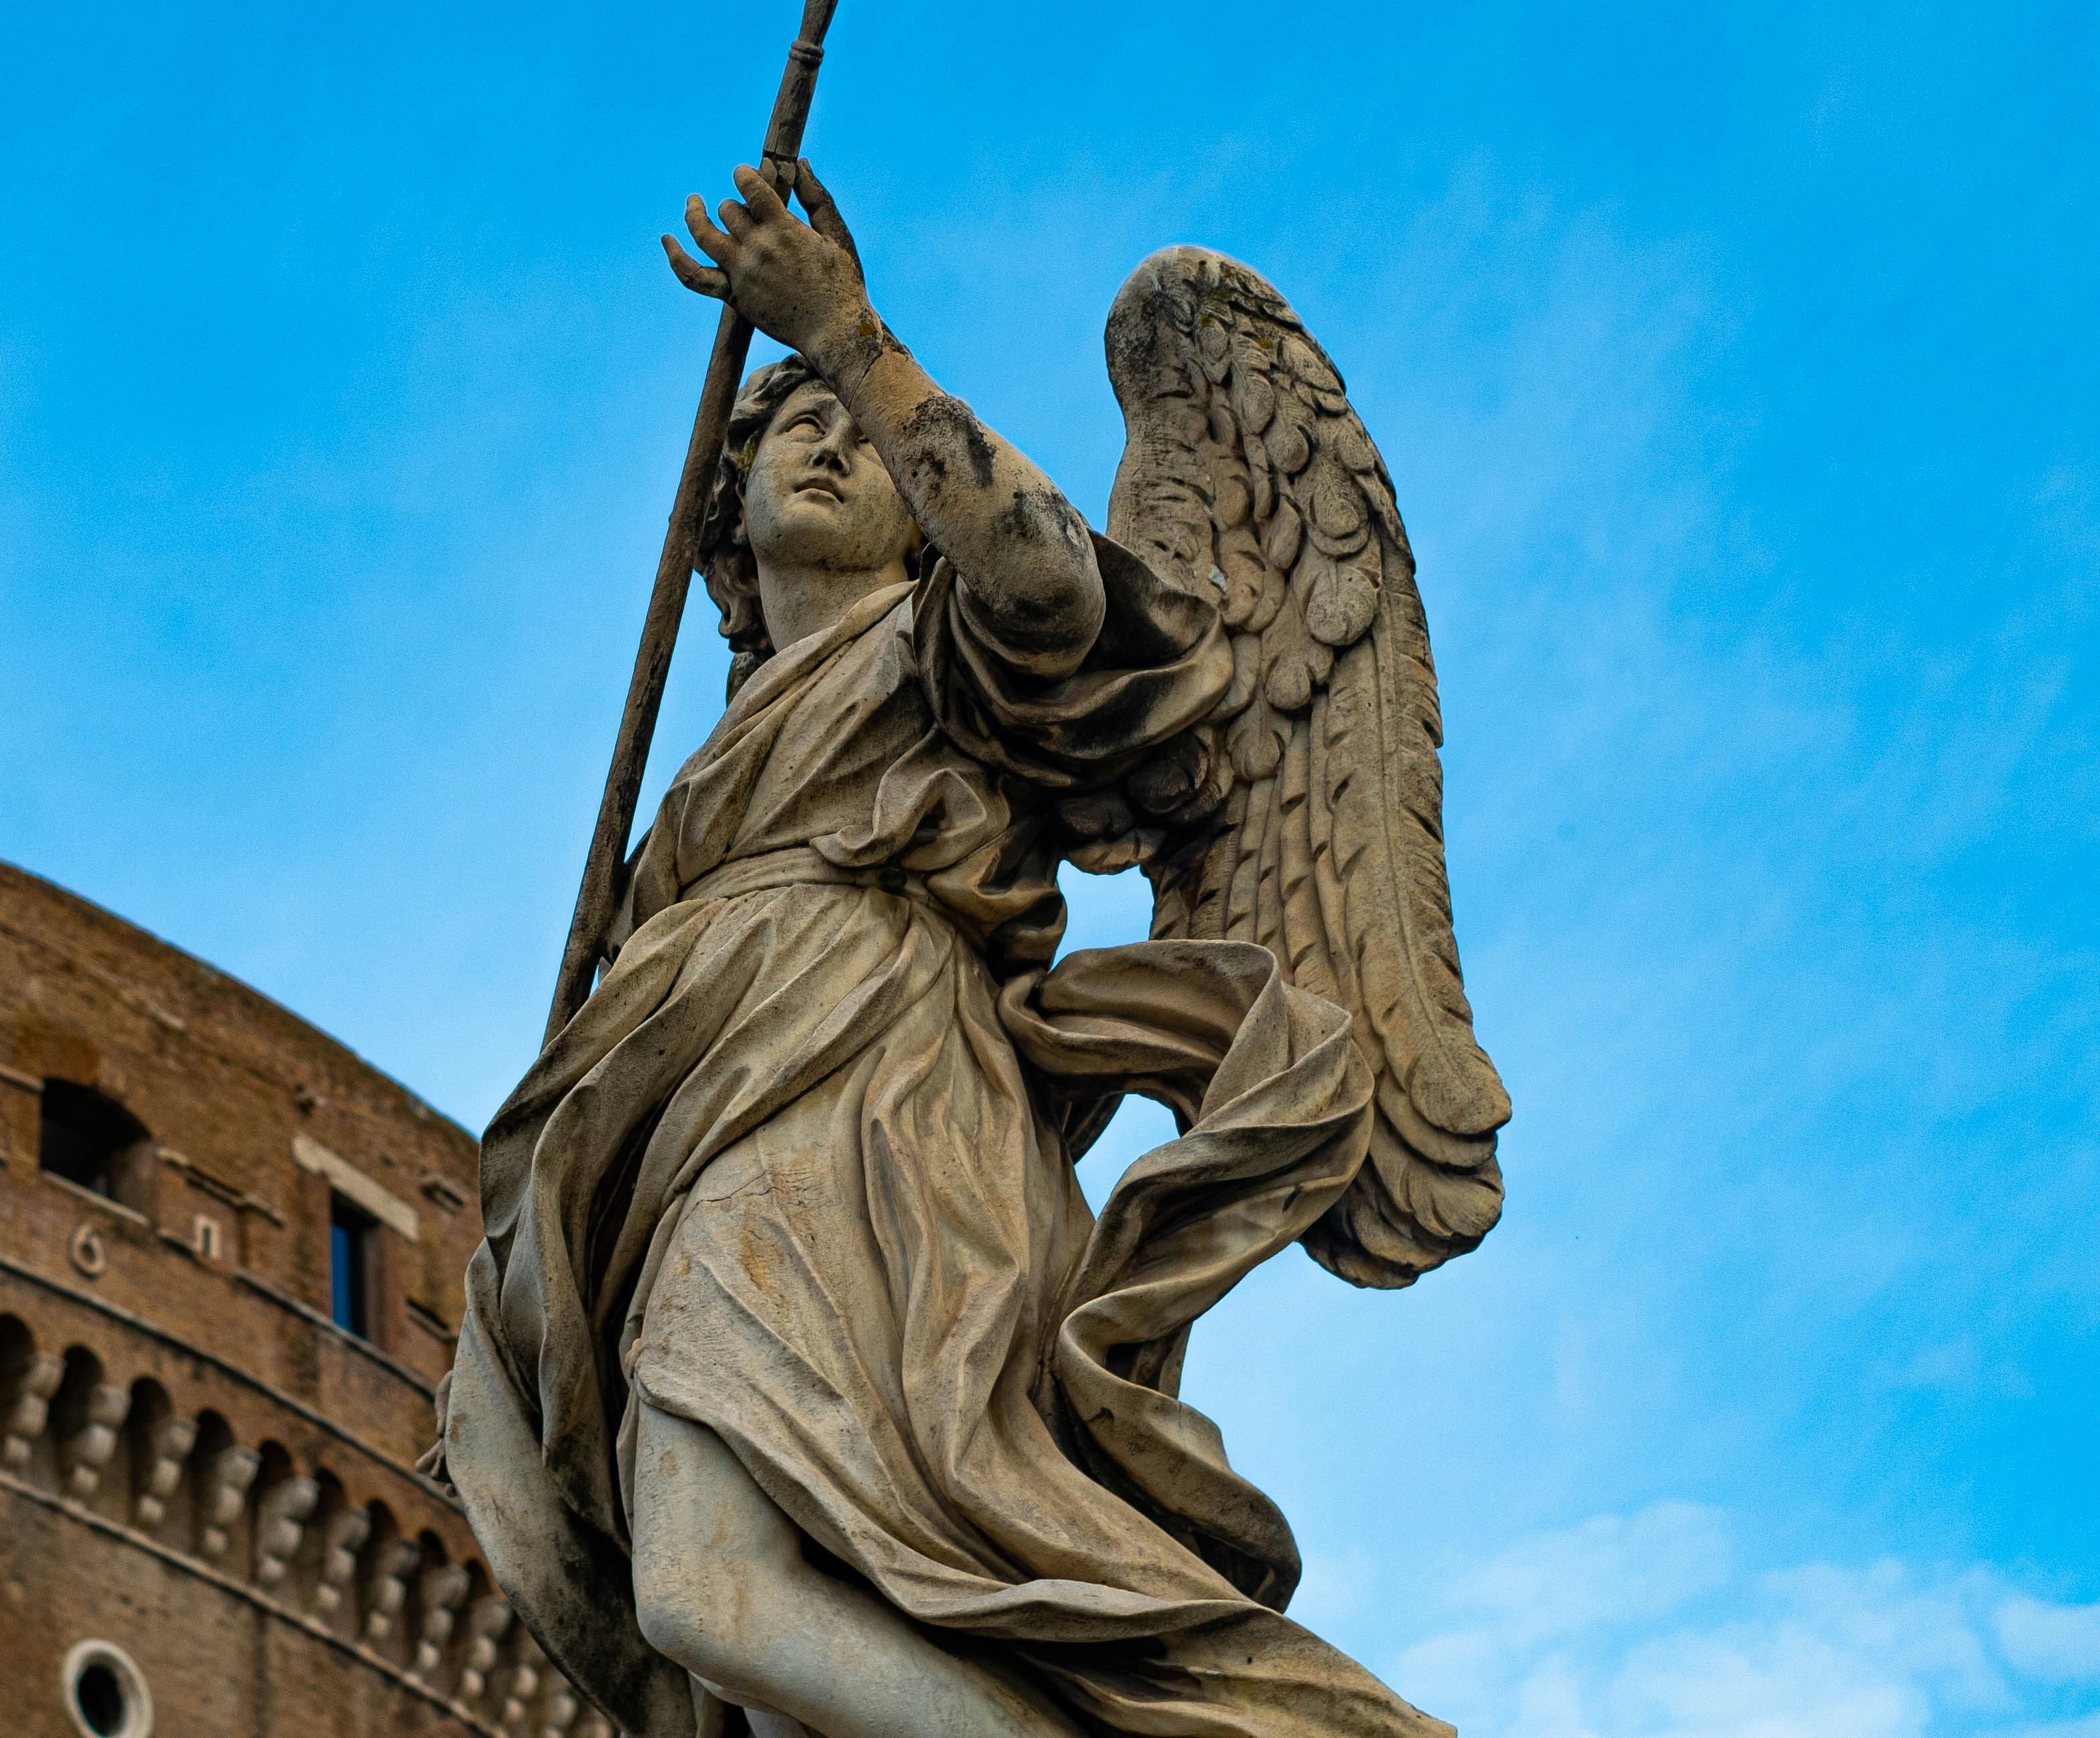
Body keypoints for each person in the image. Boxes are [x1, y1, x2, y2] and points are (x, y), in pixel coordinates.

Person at [440, 164, 1451, 1738]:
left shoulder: (948, 650)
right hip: (716, 1125)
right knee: (771, 1632)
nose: (838, 440)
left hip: (877, 1109)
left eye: (864, 432)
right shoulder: (711, 779)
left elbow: (1046, 570)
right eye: (795, 428)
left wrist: (843, 333)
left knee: (717, 1588)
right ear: (728, 521)